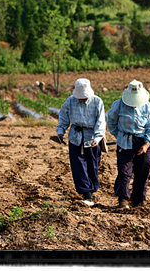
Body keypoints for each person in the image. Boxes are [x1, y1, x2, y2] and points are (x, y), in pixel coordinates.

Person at [107, 79, 150, 209]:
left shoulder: (147, 106)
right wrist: (119, 136)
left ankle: (138, 200)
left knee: (142, 172)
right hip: (124, 141)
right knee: (124, 171)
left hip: (142, 142)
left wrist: (146, 144)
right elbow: (111, 121)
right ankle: (123, 199)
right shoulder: (118, 105)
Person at [56, 78, 106, 206]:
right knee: (78, 166)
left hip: (92, 138)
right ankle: (86, 194)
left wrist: (97, 138)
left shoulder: (97, 101)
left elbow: (100, 121)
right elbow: (63, 116)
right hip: (75, 137)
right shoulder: (70, 101)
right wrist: (61, 131)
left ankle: (91, 190)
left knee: (93, 165)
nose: (82, 99)